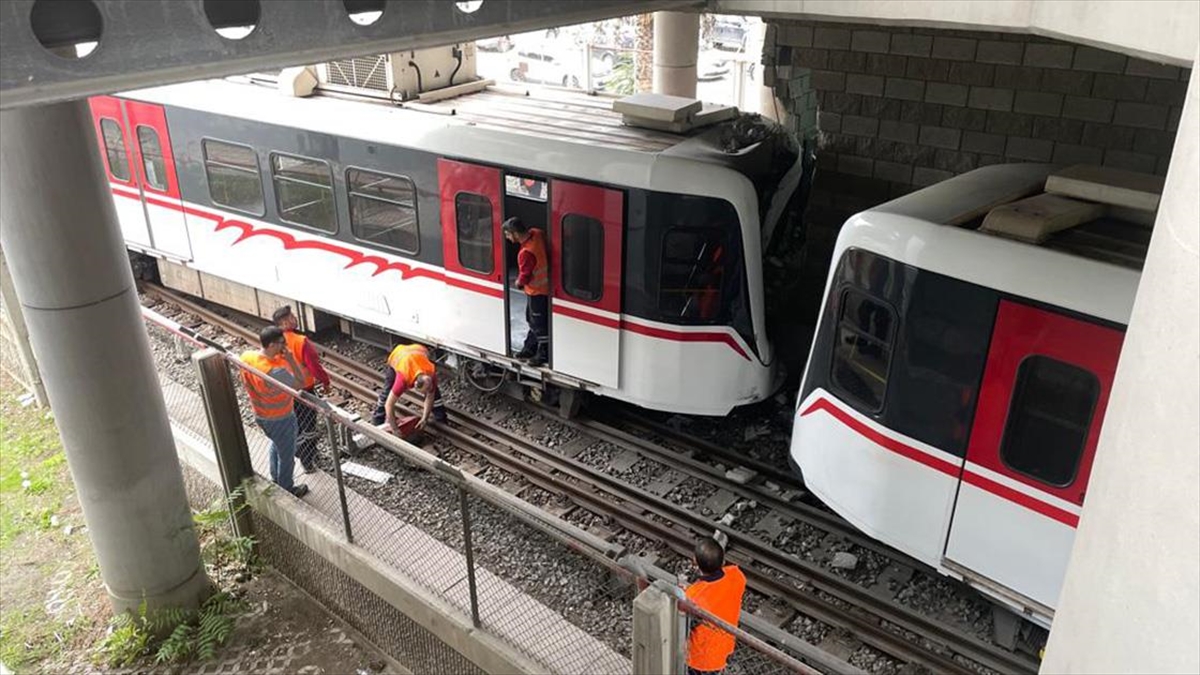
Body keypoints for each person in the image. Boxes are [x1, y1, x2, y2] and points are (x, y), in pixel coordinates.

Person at [240, 326, 309, 498]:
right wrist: (292, 360)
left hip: (261, 414)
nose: (284, 346)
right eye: (281, 343)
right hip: (281, 417)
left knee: (276, 444)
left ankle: (275, 477)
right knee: (287, 455)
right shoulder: (275, 372)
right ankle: (286, 488)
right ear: (271, 345)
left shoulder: (248, 357)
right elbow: (301, 382)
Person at [272, 305, 330, 472]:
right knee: (308, 425)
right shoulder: (300, 341)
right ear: (283, 323)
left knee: (295, 424)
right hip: (304, 390)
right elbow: (314, 366)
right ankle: (308, 460)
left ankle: (303, 453)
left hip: (284, 390)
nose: (295, 319)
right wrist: (325, 382)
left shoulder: (274, 342)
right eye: (291, 317)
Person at [684, 535, 747, 675]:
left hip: (699, 658)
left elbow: (687, 623)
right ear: (723, 561)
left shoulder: (694, 595)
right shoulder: (737, 577)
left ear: (695, 562)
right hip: (723, 648)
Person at [371, 343, 447, 436]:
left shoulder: (431, 373)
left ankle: (441, 419)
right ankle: (378, 418)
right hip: (398, 355)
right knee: (386, 393)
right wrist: (395, 429)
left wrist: (424, 419)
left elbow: (430, 396)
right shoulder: (403, 378)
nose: (425, 393)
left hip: (418, 350)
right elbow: (389, 405)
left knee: (435, 395)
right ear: (415, 384)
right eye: (423, 392)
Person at [503, 217, 550, 367]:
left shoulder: (525, 253)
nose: (507, 238)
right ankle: (529, 347)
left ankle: (543, 354)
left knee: (538, 323)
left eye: (508, 234)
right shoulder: (537, 233)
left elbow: (525, 275)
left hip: (537, 291)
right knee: (532, 319)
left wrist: (517, 283)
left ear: (515, 233)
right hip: (543, 289)